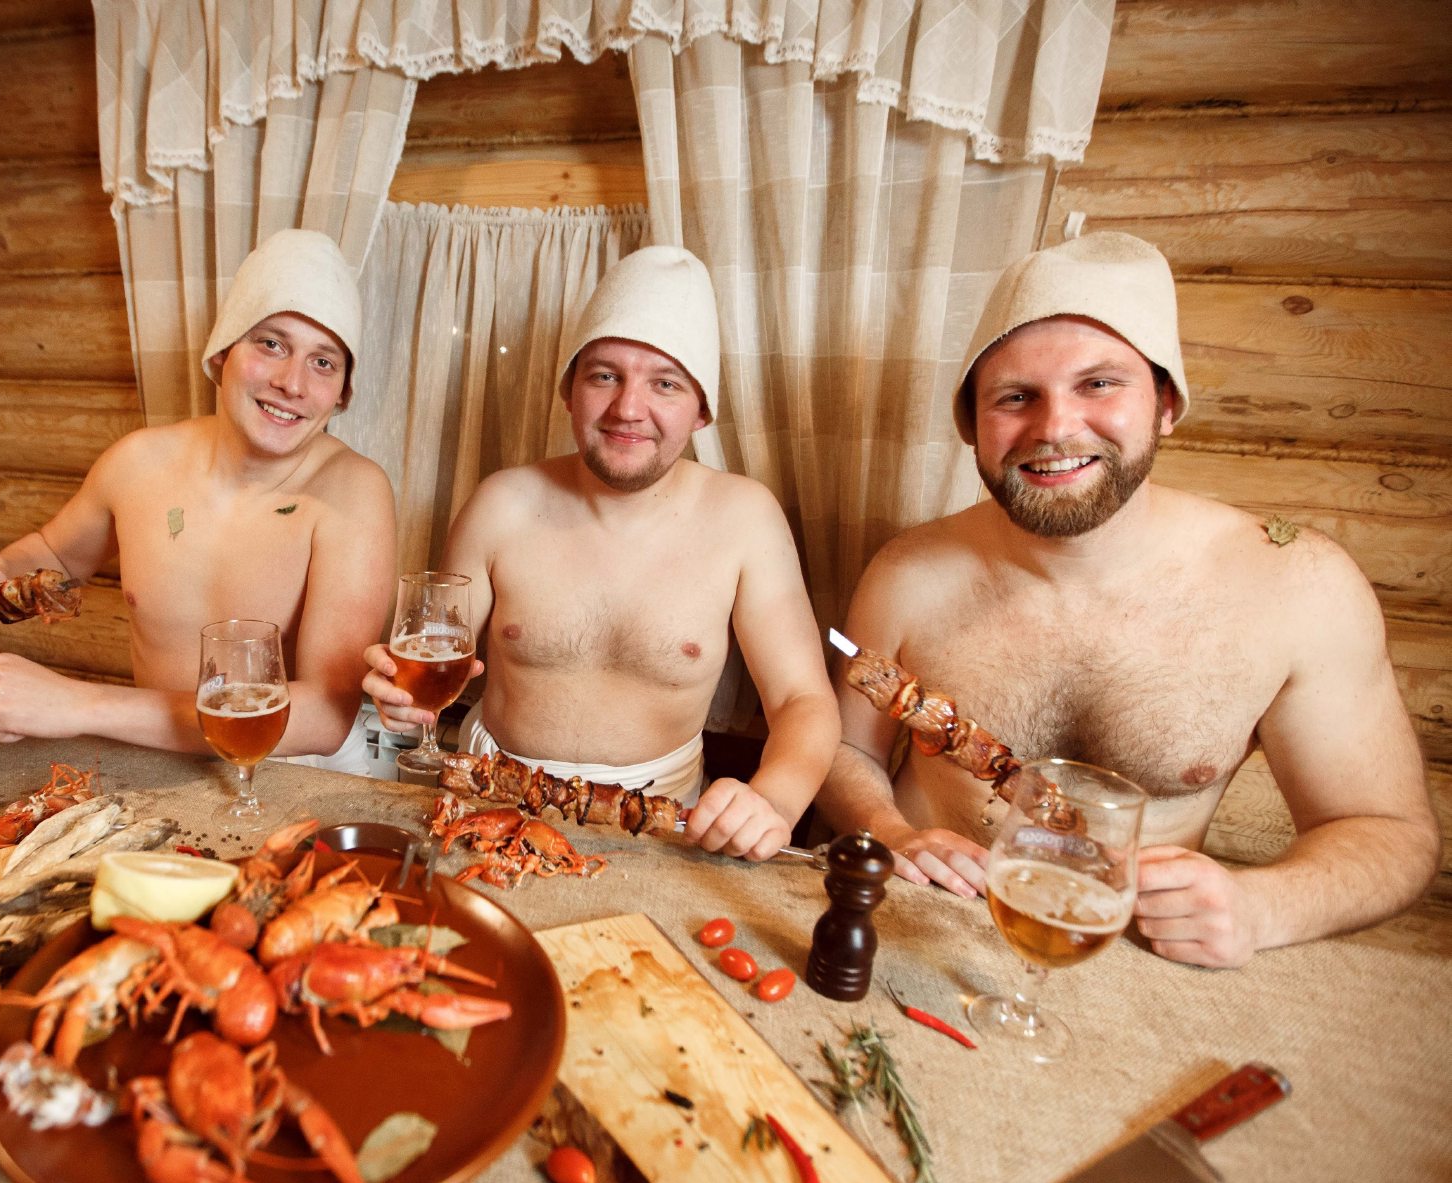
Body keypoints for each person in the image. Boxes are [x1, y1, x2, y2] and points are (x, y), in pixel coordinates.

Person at [816, 231, 1438, 967]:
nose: (1055, 427)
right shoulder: (908, 572)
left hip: (1132, 958)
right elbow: (847, 749)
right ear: (972, 426)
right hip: (920, 930)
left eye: (1099, 385)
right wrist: (893, 833)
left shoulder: (1299, 587)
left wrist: (1261, 906)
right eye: (1015, 397)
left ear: (1166, 403)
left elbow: (1390, 830)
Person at [363, 246, 839, 861]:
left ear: (701, 411)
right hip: (488, 804)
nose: (628, 409)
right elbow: (428, 655)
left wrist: (773, 800)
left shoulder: (746, 518)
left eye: (664, 384)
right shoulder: (501, 503)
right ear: (570, 391)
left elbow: (803, 699)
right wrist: (396, 694)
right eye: (604, 376)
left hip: (662, 824)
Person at [0, 229, 396, 768]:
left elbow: (325, 716)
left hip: (295, 768)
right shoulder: (137, 462)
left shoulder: (354, 490)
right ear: (223, 353)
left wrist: (80, 704)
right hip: (161, 762)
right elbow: (56, 557)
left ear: (342, 393)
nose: (293, 383)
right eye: (271, 344)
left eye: (323, 362)